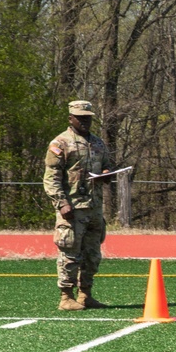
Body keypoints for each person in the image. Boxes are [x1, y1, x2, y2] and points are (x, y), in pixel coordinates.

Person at [43, 100, 116, 311]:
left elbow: (106, 167)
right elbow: (51, 177)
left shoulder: (98, 143)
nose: (85, 121)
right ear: (71, 118)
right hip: (72, 209)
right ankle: (66, 297)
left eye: (88, 118)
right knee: (70, 254)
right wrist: (61, 202)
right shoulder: (60, 143)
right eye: (80, 118)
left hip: (94, 208)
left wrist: (106, 175)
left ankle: (86, 295)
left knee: (93, 255)